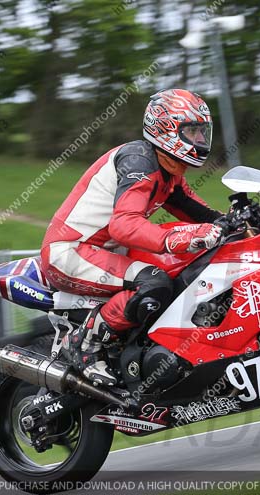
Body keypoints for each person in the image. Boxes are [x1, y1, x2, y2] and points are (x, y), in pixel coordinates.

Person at [40, 89, 224, 386]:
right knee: (154, 282)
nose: (200, 141)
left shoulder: (168, 170)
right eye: (193, 131)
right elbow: (123, 225)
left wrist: (238, 220)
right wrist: (179, 239)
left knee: (178, 272)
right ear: (166, 128)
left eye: (203, 132)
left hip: (104, 252)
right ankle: (85, 345)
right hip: (71, 251)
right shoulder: (140, 161)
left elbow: (197, 210)